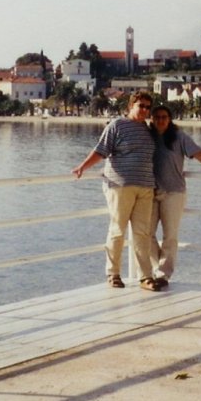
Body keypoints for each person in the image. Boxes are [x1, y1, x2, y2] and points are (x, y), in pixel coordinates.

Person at [72, 91, 160, 291]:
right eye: (141, 106)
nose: (145, 110)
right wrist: (82, 167)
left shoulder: (149, 130)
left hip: (145, 187)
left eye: (148, 107)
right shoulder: (117, 125)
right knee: (117, 231)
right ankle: (113, 274)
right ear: (131, 106)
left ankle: (145, 277)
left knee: (142, 234)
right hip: (120, 186)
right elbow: (101, 150)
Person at [149, 104, 201, 288]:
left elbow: (199, 153)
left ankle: (163, 274)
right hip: (150, 193)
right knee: (146, 234)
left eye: (164, 116)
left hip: (174, 192)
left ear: (169, 119)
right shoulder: (147, 137)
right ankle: (156, 268)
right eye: (157, 117)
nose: (161, 120)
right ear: (152, 120)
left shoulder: (179, 137)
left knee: (170, 235)